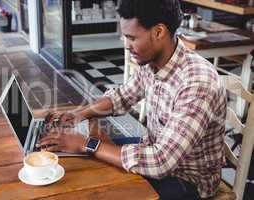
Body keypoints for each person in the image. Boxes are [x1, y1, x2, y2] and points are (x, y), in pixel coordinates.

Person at [37, 0, 227, 199]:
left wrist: (87, 143)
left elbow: (161, 162)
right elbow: (121, 97)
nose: (126, 46)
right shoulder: (153, 62)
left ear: (159, 32)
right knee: (75, 159)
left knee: (98, 186)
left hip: (188, 181)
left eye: (131, 38)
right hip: (152, 149)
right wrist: (79, 114)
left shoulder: (197, 84)